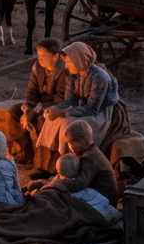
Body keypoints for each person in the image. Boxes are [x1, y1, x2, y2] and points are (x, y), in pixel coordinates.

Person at [33, 41, 120, 174]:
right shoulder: (73, 74)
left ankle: (68, 167)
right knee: (52, 120)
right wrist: (55, 109)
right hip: (80, 107)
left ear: (79, 60)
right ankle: (47, 165)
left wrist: (62, 112)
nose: (66, 66)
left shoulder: (99, 77)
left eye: (69, 62)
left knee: (68, 124)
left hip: (99, 114)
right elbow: (71, 99)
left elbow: (92, 108)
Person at [30, 121, 119, 206]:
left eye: (70, 142)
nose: (70, 146)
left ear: (79, 141)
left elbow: (79, 183)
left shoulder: (89, 157)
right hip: (100, 195)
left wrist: (58, 184)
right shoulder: (91, 151)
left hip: (104, 199)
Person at [10, 37, 67, 156]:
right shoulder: (38, 67)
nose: (40, 59)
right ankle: (27, 152)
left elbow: (60, 99)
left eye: (44, 56)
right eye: (39, 55)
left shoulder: (64, 71)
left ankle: (41, 157)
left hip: (54, 107)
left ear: (55, 56)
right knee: (15, 111)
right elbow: (31, 91)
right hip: (38, 105)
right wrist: (28, 108)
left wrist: (36, 110)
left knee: (41, 120)